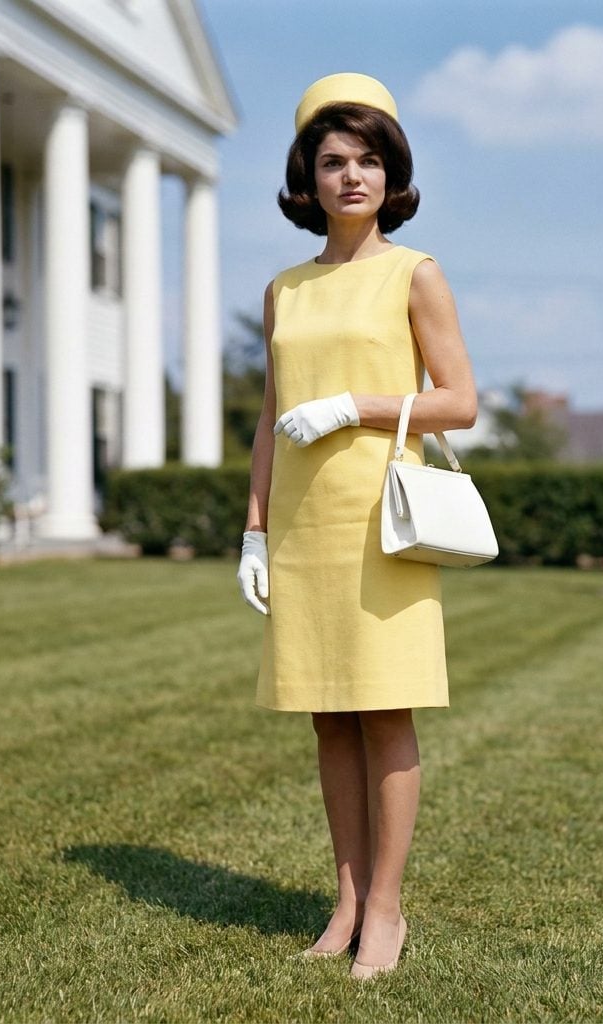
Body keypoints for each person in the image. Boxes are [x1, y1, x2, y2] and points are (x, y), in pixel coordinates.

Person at [236, 73, 477, 980]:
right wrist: (254, 532)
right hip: (301, 530)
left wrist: (353, 407)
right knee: (327, 719)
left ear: (392, 173)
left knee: (385, 710)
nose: (351, 176)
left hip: (381, 519)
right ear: (308, 174)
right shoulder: (284, 290)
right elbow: (267, 418)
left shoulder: (415, 274)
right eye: (333, 160)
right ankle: (342, 903)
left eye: (369, 159)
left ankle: (386, 910)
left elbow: (459, 402)